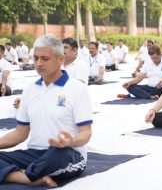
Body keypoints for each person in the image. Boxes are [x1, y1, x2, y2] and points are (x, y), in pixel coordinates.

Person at [0, 35, 93, 187]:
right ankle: (28, 177)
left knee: (53, 158)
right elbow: (20, 134)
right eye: (35, 58)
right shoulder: (30, 89)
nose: (39, 63)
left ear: (60, 60)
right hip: (34, 154)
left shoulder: (77, 89)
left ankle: (23, 173)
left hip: (67, 153)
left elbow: (86, 132)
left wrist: (71, 141)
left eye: (45, 59)